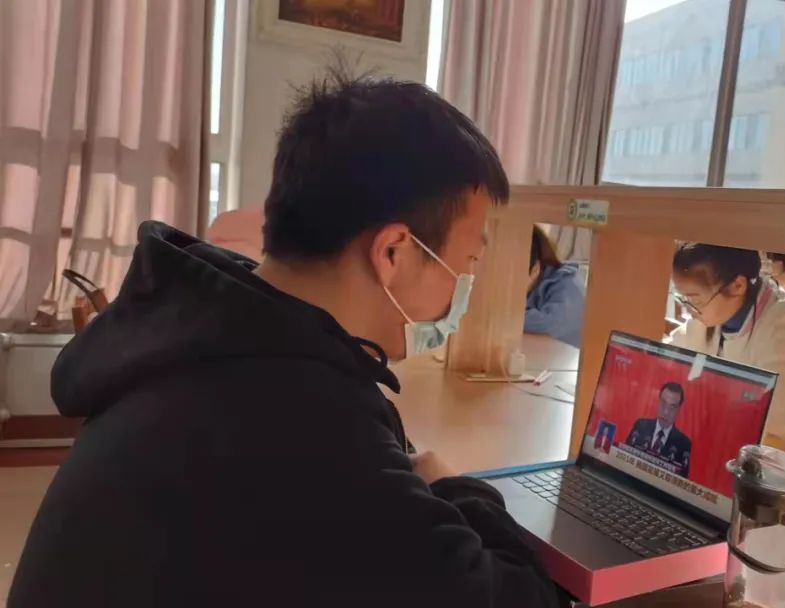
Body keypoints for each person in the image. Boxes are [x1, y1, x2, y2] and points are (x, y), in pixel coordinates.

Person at [10, 68, 562, 608]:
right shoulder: (304, 421)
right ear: (393, 252)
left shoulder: (205, 336)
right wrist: (454, 487)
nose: (463, 286)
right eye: (467, 263)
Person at [669, 243, 785, 459]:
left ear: (737, 286)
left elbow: (776, 421)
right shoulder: (713, 312)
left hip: (778, 460)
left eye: (695, 301)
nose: (689, 310)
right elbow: (674, 353)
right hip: (724, 444)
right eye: (683, 299)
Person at [524, 226, 585, 347]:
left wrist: (504, 314)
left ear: (535, 270)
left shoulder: (566, 284)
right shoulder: (535, 285)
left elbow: (552, 325)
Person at [626, 382, 693, 477]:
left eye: (672, 407)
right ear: (658, 402)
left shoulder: (683, 443)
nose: (665, 412)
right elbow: (624, 458)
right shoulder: (640, 426)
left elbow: (681, 478)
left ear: (679, 409)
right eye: (663, 404)